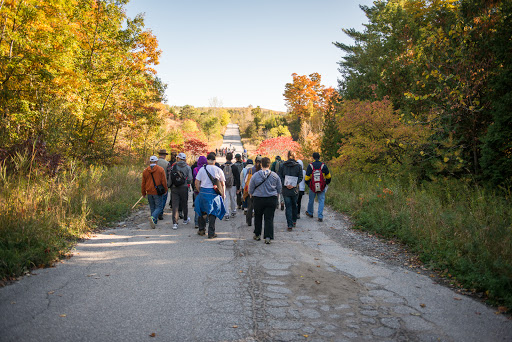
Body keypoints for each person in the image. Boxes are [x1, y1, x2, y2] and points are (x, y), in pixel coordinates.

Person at [249, 157, 282, 244]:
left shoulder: (255, 175)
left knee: (258, 217)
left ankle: (257, 234)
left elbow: (251, 188)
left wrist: (251, 195)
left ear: (261, 164)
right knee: (269, 218)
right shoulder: (275, 176)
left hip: (258, 199)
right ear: (269, 164)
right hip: (271, 198)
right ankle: (268, 237)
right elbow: (279, 189)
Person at [194, 152, 226, 238]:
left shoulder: (202, 169)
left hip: (203, 192)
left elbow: (196, 182)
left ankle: (201, 230)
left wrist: (199, 190)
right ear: (215, 160)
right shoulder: (218, 170)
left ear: (207, 160)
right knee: (213, 212)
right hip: (214, 194)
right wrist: (223, 194)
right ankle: (211, 233)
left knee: (202, 211)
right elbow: (222, 184)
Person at [278, 150, 303, 231]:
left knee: (288, 207)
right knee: (294, 205)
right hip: (294, 189)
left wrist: (285, 184)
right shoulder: (298, 166)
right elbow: (300, 177)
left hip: (285, 189)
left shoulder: (282, 165)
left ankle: (289, 224)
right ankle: (294, 220)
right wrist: (294, 184)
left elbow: (279, 176)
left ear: (287, 156)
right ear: (294, 156)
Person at [141, 155, 167, 229]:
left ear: (150, 162)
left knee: (152, 206)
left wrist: (143, 192)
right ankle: (153, 218)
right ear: (156, 161)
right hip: (157, 191)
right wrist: (165, 189)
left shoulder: (145, 171)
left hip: (149, 191)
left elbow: (143, 183)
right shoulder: (160, 169)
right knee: (159, 207)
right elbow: (163, 181)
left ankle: (154, 221)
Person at [305, 152, 332, 222]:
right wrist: (326, 184)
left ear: (313, 157)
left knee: (311, 199)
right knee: (321, 200)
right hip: (321, 186)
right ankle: (320, 216)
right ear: (319, 157)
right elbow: (328, 177)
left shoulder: (310, 166)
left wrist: (309, 185)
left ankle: (310, 213)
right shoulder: (323, 166)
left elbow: (306, 178)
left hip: (313, 186)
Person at [169, 152, 193, 229]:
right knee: (184, 203)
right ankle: (185, 219)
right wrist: (186, 182)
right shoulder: (188, 167)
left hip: (174, 187)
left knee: (175, 205)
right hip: (184, 187)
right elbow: (190, 179)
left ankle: (175, 223)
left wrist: (169, 185)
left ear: (178, 158)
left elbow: (170, 177)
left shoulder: (174, 166)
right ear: (185, 159)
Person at [221, 152, 240, 220]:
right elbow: (237, 177)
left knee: (226, 199)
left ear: (226, 158)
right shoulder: (234, 167)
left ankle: (226, 213)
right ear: (232, 158)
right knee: (233, 198)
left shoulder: (222, 166)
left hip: (225, 185)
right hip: (233, 185)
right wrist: (238, 188)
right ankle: (233, 211)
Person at [243, 156, 262, 226]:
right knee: (258, 208)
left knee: (250, 207)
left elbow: (245, 180)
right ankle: (257, 222)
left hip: (250, 191)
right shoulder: (263, 171)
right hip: (260, 192)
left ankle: (249, 221)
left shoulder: (250, 170)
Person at [192, 156, 207, 228]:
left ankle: (196, 222)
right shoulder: (206, 169)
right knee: (204, 206)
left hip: (197, 190)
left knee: (197, 206)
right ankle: (205, 220)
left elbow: (194, 179)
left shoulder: (195, 169)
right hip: (205, 189)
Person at [156, 149, 169, 220]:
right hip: (164, 183)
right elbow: (168, 174)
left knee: (156, 198)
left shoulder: (155, 162)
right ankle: (160, 213)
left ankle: (155, 212)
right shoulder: (167, 163)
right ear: (164, 155)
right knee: (163, 199)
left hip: (154, 183)